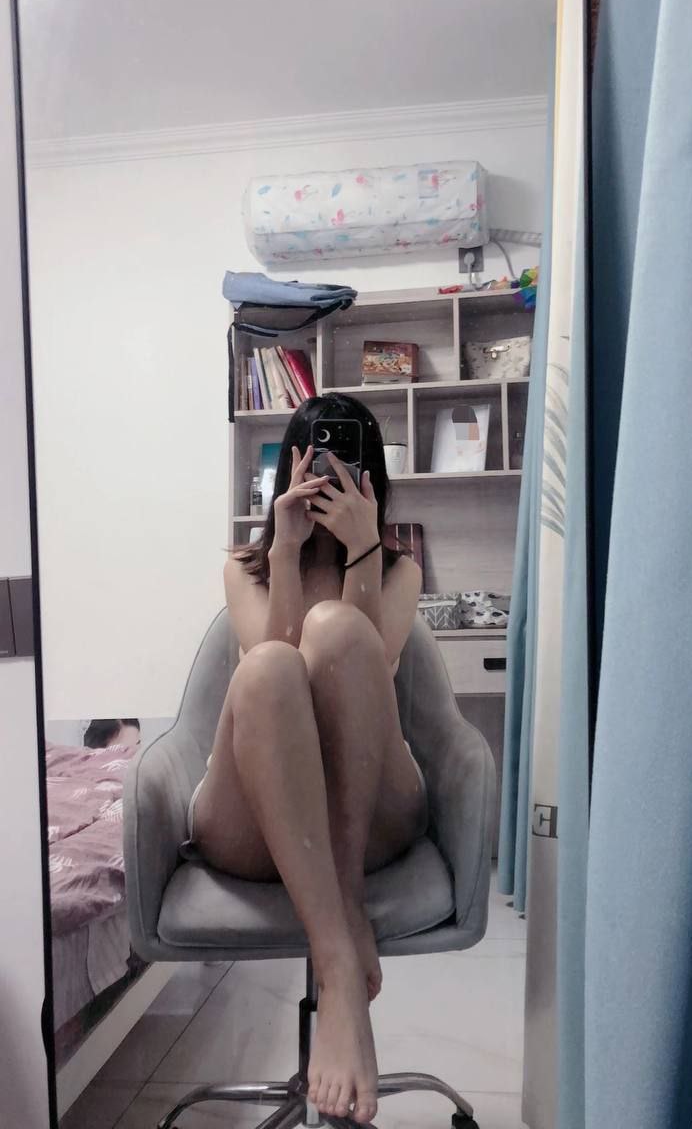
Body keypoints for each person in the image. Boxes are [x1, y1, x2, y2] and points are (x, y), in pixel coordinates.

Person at [188, 392, 425, 1125]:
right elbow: (278, 661)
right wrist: (286, 552)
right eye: (316, 456)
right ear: (290, 466)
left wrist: (362, 550)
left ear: (370, 473)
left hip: (366, 808)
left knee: (339, 630)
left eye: (345, 456)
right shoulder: (246, 568)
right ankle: (340, 957)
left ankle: (339, 932)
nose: (328, 471)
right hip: (259, 818)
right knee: (267, 667)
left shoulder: (399, 571)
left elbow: (366, 671)